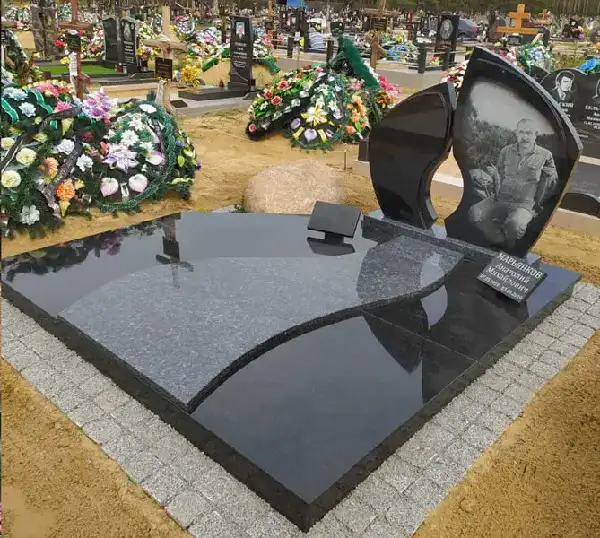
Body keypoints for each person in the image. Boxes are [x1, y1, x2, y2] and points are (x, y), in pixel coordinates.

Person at [468, 118, 558, 248]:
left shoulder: (546, 155)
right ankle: (497, 239)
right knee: (474, 213)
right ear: (516, 133)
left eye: (529, 133)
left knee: (514, 226)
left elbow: (553, 182)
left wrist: (552, 176)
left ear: (535, 134)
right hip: (501, 197)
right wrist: (494, 175)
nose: (525, 137)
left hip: (524, 204)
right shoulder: (506, 151)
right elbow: (499, 174)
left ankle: (510, 244)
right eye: (521, 132)